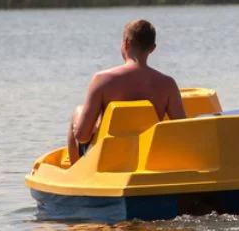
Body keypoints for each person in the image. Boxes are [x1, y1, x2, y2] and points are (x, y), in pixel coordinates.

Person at [67, 19, 187, 163]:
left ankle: (75, 171)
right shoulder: (168, 84)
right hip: (148, 157)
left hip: (105, 159)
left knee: (78, 111)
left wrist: (95, 126)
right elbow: (182, 131)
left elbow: (82, 136)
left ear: (126, 43)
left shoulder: (102, 80)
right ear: (153, 48)